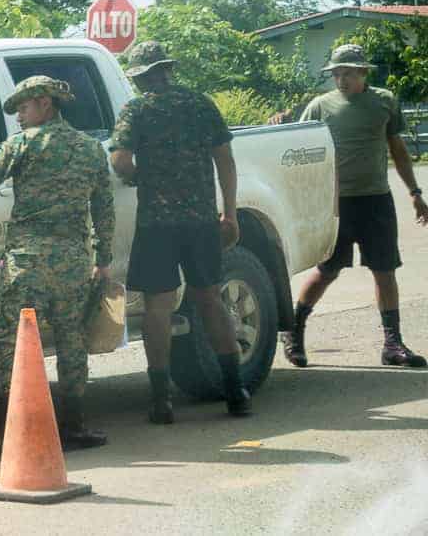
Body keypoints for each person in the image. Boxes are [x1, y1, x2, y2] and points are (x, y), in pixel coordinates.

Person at [0, 75, 115, 453]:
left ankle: (19, 431)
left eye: (23, 108)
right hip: (73, 260)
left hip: (27, 263)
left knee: (15, 344)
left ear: (44, 103)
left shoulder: (22, 145)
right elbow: (103, 208)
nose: (18, 117)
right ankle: (73, 427)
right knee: (72, 342)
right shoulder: (90, 149)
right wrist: (103, 260)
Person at [109, 41, 251, 424]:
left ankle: (160, 401)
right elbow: (226, 160)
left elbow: (120, 161)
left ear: (140, 76)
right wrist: (230, 213)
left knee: (159, 305)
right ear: (168, 69)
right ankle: (236, 392)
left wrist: (141, 177)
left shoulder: (136, 109)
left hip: (157, 224)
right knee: (210, 300)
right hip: (201, 220)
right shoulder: (201, 103)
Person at [282, 44, 428, 369]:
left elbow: (398, 149)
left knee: (385, 271)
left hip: (376, 199)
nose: (341, 79)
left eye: (347, 72)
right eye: (336, 73)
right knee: (327, 271)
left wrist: (415, 192)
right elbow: (297, 144)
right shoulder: (320, 106)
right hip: (336, 203)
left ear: (363, 72)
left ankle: (393, 343)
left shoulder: (384, 102)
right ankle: (293, 329)